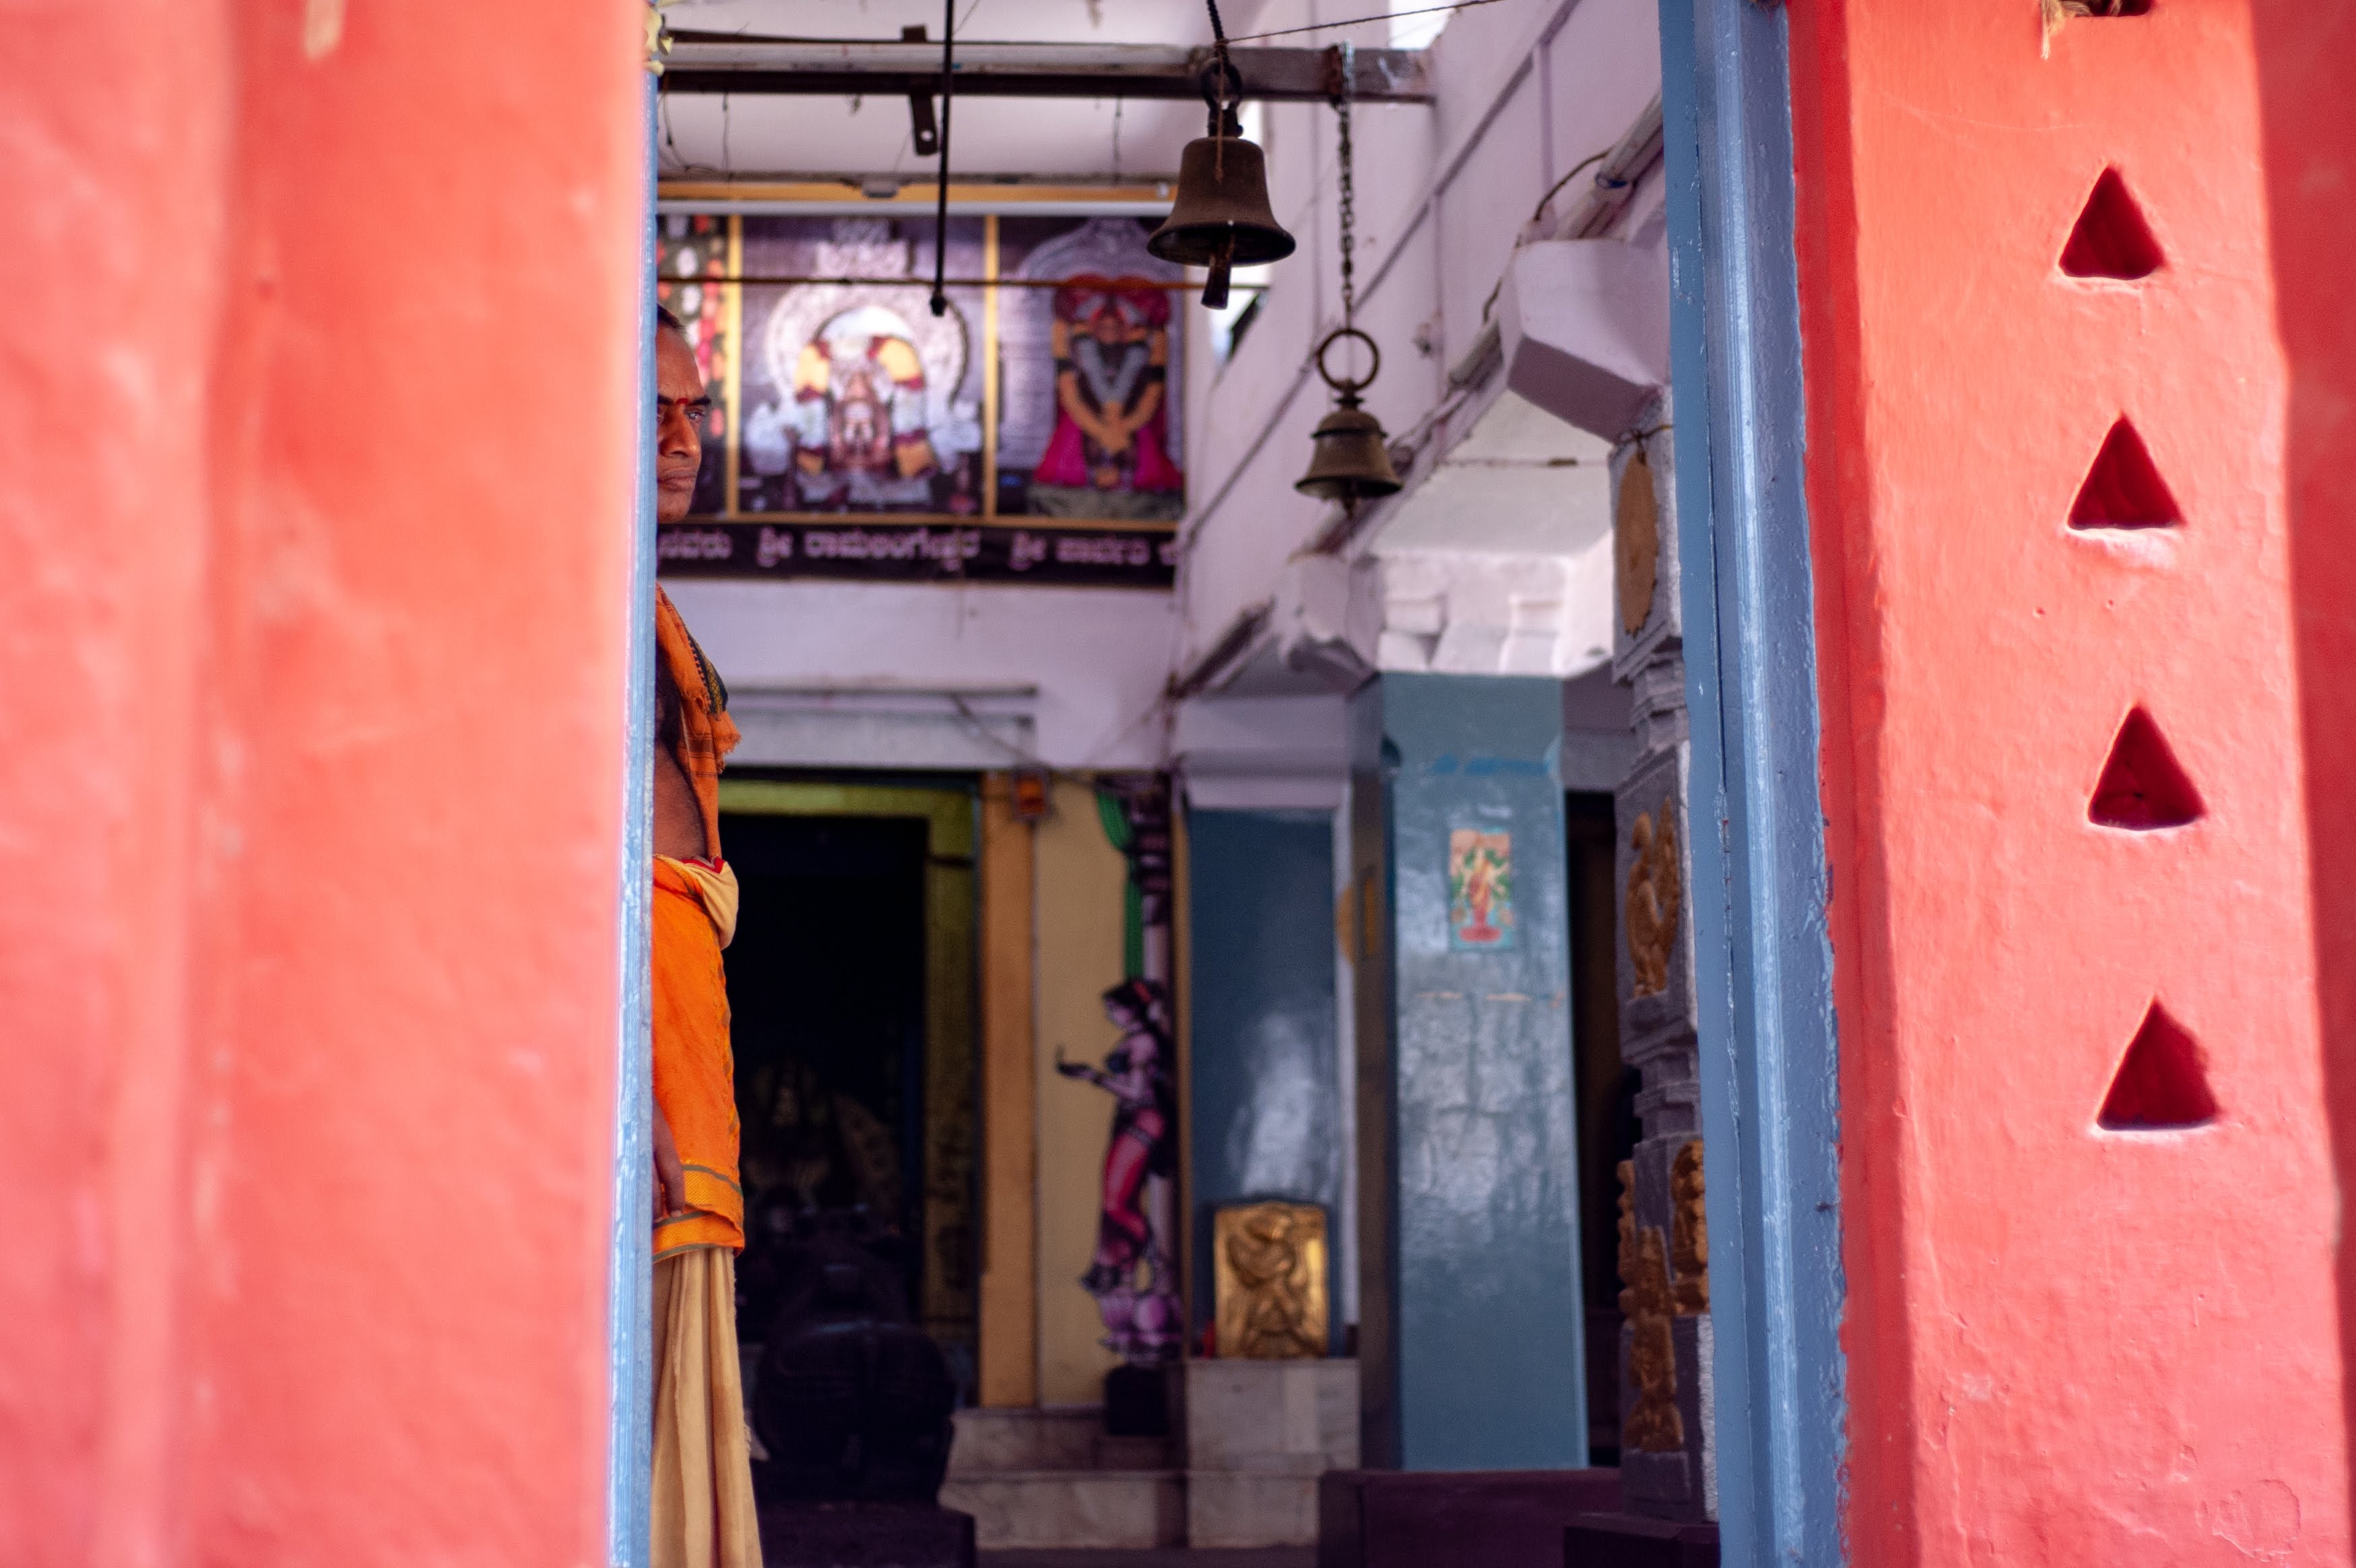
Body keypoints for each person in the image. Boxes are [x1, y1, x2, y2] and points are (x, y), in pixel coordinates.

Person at [646, 304, 762, 1568]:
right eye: (657, 408)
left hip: (680, 1044)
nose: (685, 439)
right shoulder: (587, 595)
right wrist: (637, 1113)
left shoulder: (642, 595)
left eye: (697, 411)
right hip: (647, 1093)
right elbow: (572, 858)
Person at [1055, 978, 1183, 1361]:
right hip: (1134, 1122)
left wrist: (1092, 1077)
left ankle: (1158, 1260)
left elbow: (1138, 1092)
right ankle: (1131, 1266)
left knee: (1115, 1204)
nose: (1111, 1016)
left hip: (1141, 1121)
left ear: (1133, 1009)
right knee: (1117, 1201)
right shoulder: (1139, 1038)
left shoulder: (1143, 1043)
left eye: (1116, 1009)